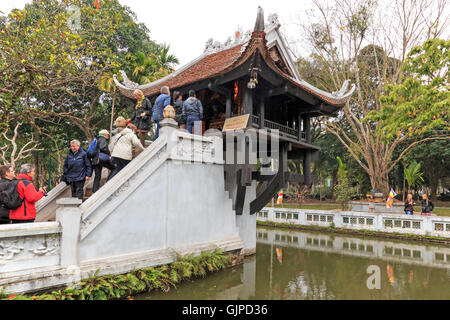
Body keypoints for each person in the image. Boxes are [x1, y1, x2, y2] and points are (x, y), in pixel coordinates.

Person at [107, 116, 144, 180]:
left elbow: (112, 145)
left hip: (115, 155)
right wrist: (142, 149)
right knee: (124, 172)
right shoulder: (131, 134)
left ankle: (109, 184)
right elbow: (137, 143)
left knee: (114, 171)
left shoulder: (118, 135)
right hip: (125, 156)